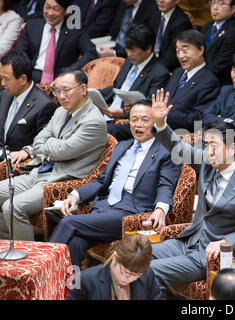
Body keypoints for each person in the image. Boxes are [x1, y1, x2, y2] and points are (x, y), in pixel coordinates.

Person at [147, 89, 235, 289]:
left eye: (214, 146)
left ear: (233, 148)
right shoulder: (207, 162)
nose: (208, 151)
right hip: (186, 242)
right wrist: (161, 123)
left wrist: (226, 241)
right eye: (206, 145)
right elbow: (179, 149)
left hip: (207, 253)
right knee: (131, 255)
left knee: (147, 272)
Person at [50, 100, 180, 267]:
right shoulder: (122, 146)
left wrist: (161, 209)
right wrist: (76, 195)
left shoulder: (166, 151)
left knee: (68, 223)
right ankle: (70, 289)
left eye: (144, 120)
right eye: (134, 119)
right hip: (103, 207)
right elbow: (102, 180)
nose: (138, 125)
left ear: (156, 122)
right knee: (75, 243)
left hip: (131, 212)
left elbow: (166, 184)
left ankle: (43, 274)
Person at [0, 69, 107, 241]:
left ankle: (29, 259)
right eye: (58, 91)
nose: (61, 96)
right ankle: (9, 245)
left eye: (67, 90)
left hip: (61, 182)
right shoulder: (60, 111)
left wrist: (48, 146)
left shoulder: (94, 121)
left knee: (12, 207)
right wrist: (50, 148)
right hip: (39, 172)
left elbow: (62, 151)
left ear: (83, 89)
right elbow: (39, 140)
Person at [99, 24, 170, 141]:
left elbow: (150, 107)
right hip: (108, 109)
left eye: (133, 50)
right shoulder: (129, 61)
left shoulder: (160, 73)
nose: (128, 54)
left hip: (131, 121)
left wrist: (122, 113)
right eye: (127, 49)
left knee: (102, 129)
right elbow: (116, 88)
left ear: (148, 48)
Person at [17, 0, 98, 84]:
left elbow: (91, 54)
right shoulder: (32, 26)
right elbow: (20, 54)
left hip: (61, 79)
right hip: (32, 76)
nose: (50, 13)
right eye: (47, 7)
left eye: (56, 9)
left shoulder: (75, 30)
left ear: (66, 11)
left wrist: (70, 71)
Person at [68, 234, 163, 300]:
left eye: (136, 275)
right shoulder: (84, 279)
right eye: (124, 272)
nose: (128, 279)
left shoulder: (147, 275)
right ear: (115, 257)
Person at [0, 50, 56, 155]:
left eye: (6, 79)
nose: (2, 83)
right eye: (1, 78)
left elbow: (46, 141)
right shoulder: (4, 95)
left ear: (23, 79)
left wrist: (27, 151)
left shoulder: (44, 105)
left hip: (16, 162)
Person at [164, 29, 220, 132]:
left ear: (200, 50)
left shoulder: (210, 81)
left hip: (180, 135)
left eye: (185, 51)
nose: (180, 56)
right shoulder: (177, 72)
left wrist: (166, 115)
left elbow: (199, 118)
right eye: (177, 51)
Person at [201, 0, 235, 85]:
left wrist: (196, 77)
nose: (215, 7)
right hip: (202, 77)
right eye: (213, 2)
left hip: (217, 84)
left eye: (221, 3)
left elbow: (218, 67)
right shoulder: (208, 26)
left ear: (232, 9)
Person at [149, 0, 193, 72]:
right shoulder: (155, 14)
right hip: (153, 62)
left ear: (177, 1)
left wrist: (154, 70)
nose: (161, 1)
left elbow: (174, 54)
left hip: (169, 69)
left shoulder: (182, 22)